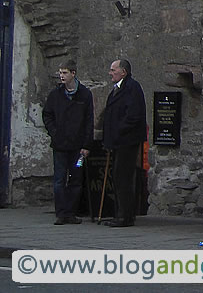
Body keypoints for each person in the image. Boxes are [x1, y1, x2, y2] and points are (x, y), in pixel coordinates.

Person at [41, 63, 92, 225]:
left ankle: (71, 212)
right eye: (60, 73)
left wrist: (86, 145)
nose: (61, 76)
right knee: (59, 179)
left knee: (76, 179)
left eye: (65, 73)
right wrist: (54, 132)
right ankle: (61, 213)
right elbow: (47, 115)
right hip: (60, 145)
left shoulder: (84, 94)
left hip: (78, 146)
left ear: (73, 73)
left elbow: (89, 121)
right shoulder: (56, 94)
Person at [99, 59, 145, 228]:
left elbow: (133, 115)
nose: (110, 73)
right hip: (117, 141)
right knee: (118, 177)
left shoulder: (132, 88)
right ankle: (120, 213)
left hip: (127, 140)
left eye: (113, 70)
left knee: (123, 177)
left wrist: (118, 131)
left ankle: (124, 216)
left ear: (123, 72)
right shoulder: (117, 89)